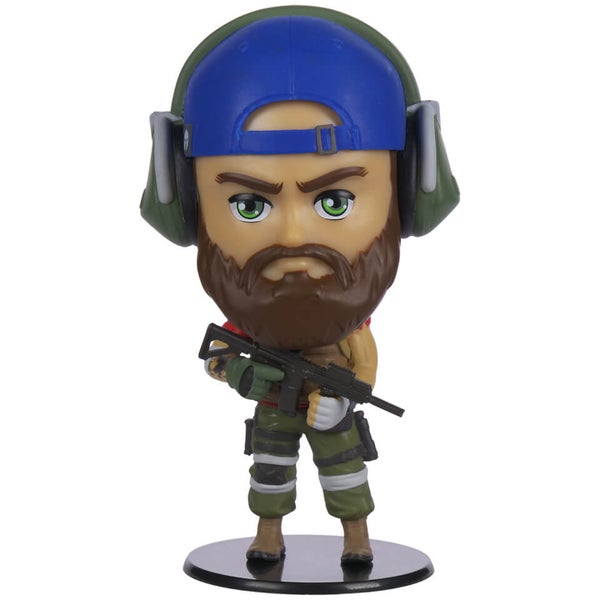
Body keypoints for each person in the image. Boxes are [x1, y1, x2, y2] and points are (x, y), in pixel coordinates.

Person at [140, 6, 459, 565]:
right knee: (269, 468)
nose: (292, 237)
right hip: (274, 405)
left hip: (329, 402)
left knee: (343, 470)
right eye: (249, 204)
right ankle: (269, 534)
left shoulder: (351, 329)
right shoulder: (243, 324)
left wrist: (342, 400)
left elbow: (364, 365)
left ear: (409, 196)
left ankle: (356, 539)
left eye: (335, 202)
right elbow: (220, 357)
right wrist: (238, 371)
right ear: (185, 206)